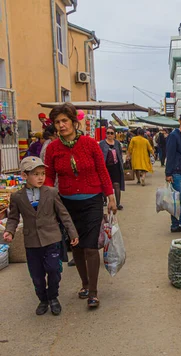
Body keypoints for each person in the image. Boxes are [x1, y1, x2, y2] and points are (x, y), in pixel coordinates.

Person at [44, 102, 117, 308]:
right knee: (75, 245)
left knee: (90, 246)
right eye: (57, 122)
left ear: (74, 122)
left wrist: (110, 196)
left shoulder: (89, 144)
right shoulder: (53, 149)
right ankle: (84, 284)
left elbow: (103, 171)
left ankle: (93, 292)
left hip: (92, 201)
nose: (61, 125)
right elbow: (49, 176)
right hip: (66, 203)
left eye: (65, 121)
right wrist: (48, 198)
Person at [4, 156, 79, 316]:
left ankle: (53, 297)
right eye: (36, 174)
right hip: (32, 242)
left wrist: (72, 232)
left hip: (52, 239)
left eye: (42, 173)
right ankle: (43, 299)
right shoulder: (17, 197)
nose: (40, 177)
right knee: (37, 276)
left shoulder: (51, 192)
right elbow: (13, 217)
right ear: (24, 176)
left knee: (53, 270)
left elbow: (63, 214)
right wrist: (9, 231)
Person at [99, 126, 125, 210]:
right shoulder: (102, 144)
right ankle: (105, 200)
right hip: (105, 167)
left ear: (114, 134)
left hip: (116, 167)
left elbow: (120, 154)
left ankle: (118, 203)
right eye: (108, 133)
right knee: (105, 184)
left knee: (116, 184)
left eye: (111, 133)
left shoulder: (117, 143)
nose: (109, 135)